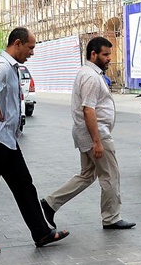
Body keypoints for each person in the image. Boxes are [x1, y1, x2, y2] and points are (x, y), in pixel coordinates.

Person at [0, 27, 69, 254]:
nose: (31, 53)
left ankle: (41, 232)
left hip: (6, 140)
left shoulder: (11, 67)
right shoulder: (2, 66)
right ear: (18, 43)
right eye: (30, 47)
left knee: (24, 186)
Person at [40, 37, 135, 231]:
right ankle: (111, 218)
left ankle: (50, 203)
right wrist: (97, 142)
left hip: (87, 133)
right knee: (110, 175)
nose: (109, 58)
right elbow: (88, 110)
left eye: (110, 54)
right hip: (96, 134)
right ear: (93, 54)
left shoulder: (87, 73)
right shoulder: (91, 76)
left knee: (87, 175)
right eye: (105, 54)